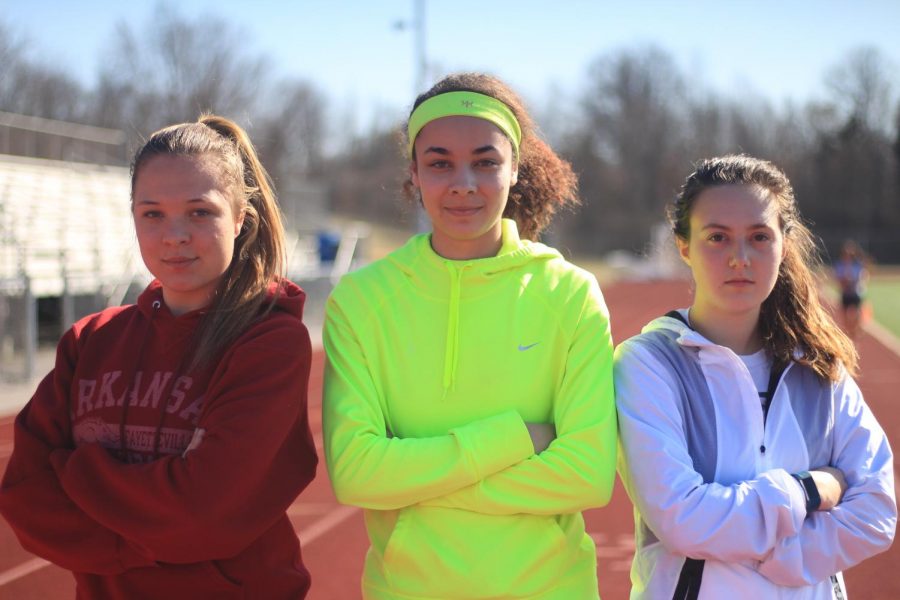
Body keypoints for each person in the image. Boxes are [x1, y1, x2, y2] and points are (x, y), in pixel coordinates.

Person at [322, 73, 617, 599]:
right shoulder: (363, 301)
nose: (464, 182)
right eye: (439, 163)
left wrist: (416, 487)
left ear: (515, 169)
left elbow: (587, 476)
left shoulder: (570, 293)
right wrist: (516, 440)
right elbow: (356, 473)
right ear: (413, 173)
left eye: (486, 162)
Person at [0, 115, 318, 598]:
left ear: (239, 218)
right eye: (153, 214)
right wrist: (152, 535)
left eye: (199, 212)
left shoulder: (268, 342)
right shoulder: (90, 341)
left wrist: (76, 471)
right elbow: (25, 499)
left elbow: (201, 513)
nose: (175, 235)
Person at [614, 155, 896, 599]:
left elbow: (877, 511)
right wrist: (807, 489)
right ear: (683, 246)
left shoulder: (822, 365)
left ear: (784, 243)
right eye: (718, 237)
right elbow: (681, 520)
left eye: (759, 237)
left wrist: (787, 559)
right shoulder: (647, 364)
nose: (739, 258)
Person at [834, 239, 870, 340]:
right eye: (846, 252)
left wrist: (852, 281)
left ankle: (855, 331)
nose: (848, 254)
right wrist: (846, 281)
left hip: (856, 294)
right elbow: (839, 281)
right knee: (845, 319)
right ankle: (848, 336)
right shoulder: (840, 265)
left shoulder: (858, 265)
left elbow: (862, 277)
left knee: (857, 317)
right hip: (845, 294)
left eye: (850, 253)